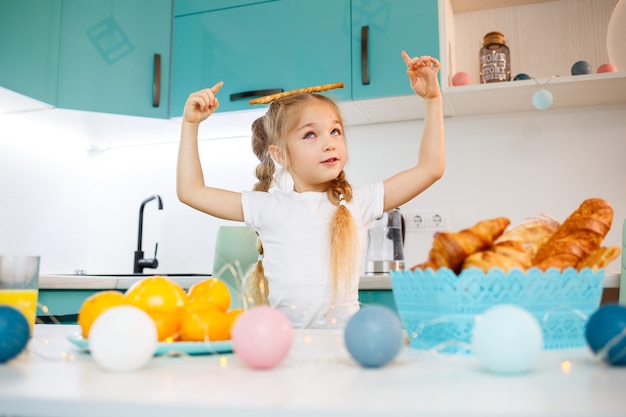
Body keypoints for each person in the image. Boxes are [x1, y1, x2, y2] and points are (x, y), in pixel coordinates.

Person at [177, 50, 445, 328]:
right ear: (279, 155)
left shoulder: (359, 203)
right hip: (285, 351)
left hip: (343, 351)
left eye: (335, 131)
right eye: (309, 134)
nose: (329, 143)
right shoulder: (268, 207)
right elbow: (191, 191)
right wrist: (190, 124)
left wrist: (433, 100)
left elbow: (430, 169)